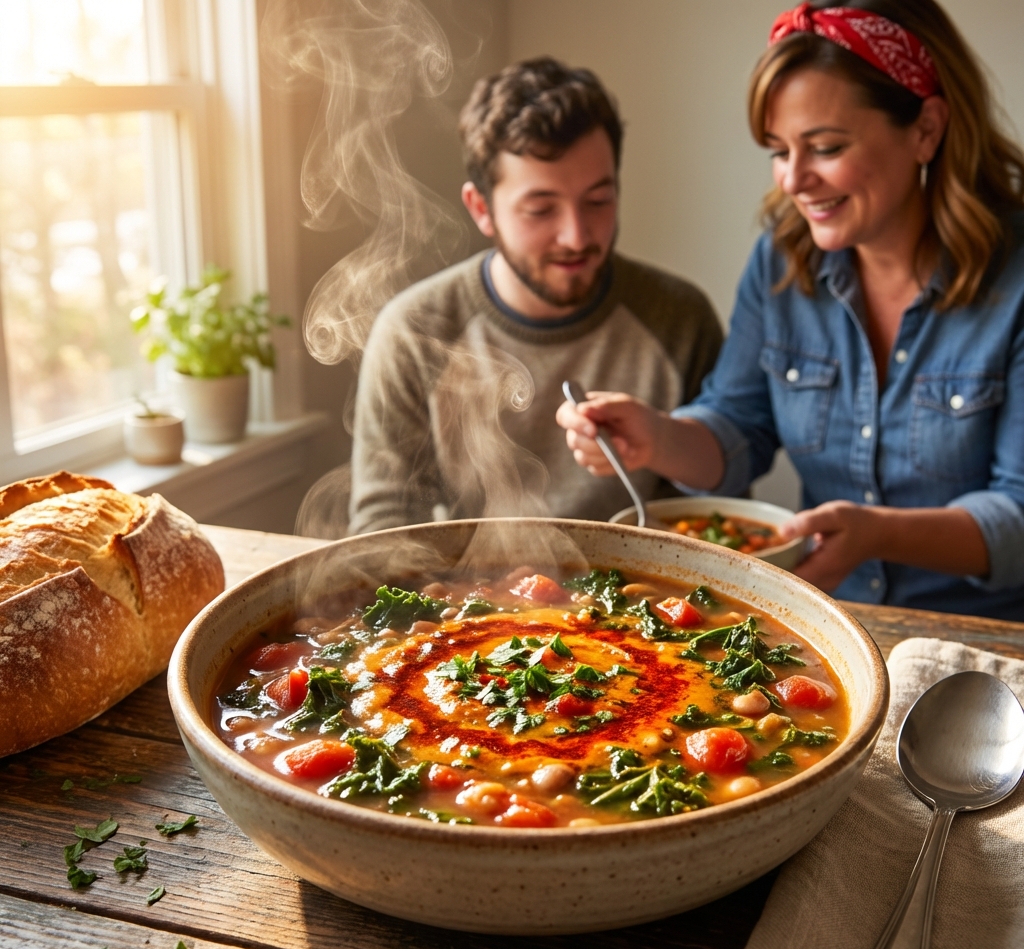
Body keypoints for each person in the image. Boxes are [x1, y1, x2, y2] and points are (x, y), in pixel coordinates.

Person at [558, 0, 1024, 620]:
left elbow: (1018, 518)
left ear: (926, 129)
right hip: (824, 624)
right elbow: (739, 425)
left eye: (825, 147)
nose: (792, 180)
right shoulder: (782, 258)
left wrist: (878, 532)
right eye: (779, 150)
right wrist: (658, 438)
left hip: (987, 638)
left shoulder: (1014, 278)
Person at [348, 58, 722, 534]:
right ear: (482, 209)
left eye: (598, 201)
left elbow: (716, 518)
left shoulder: (680, 318)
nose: (575, 235)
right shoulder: (414, 331)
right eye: (541, 209)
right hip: (470, 599)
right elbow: (384, 529)